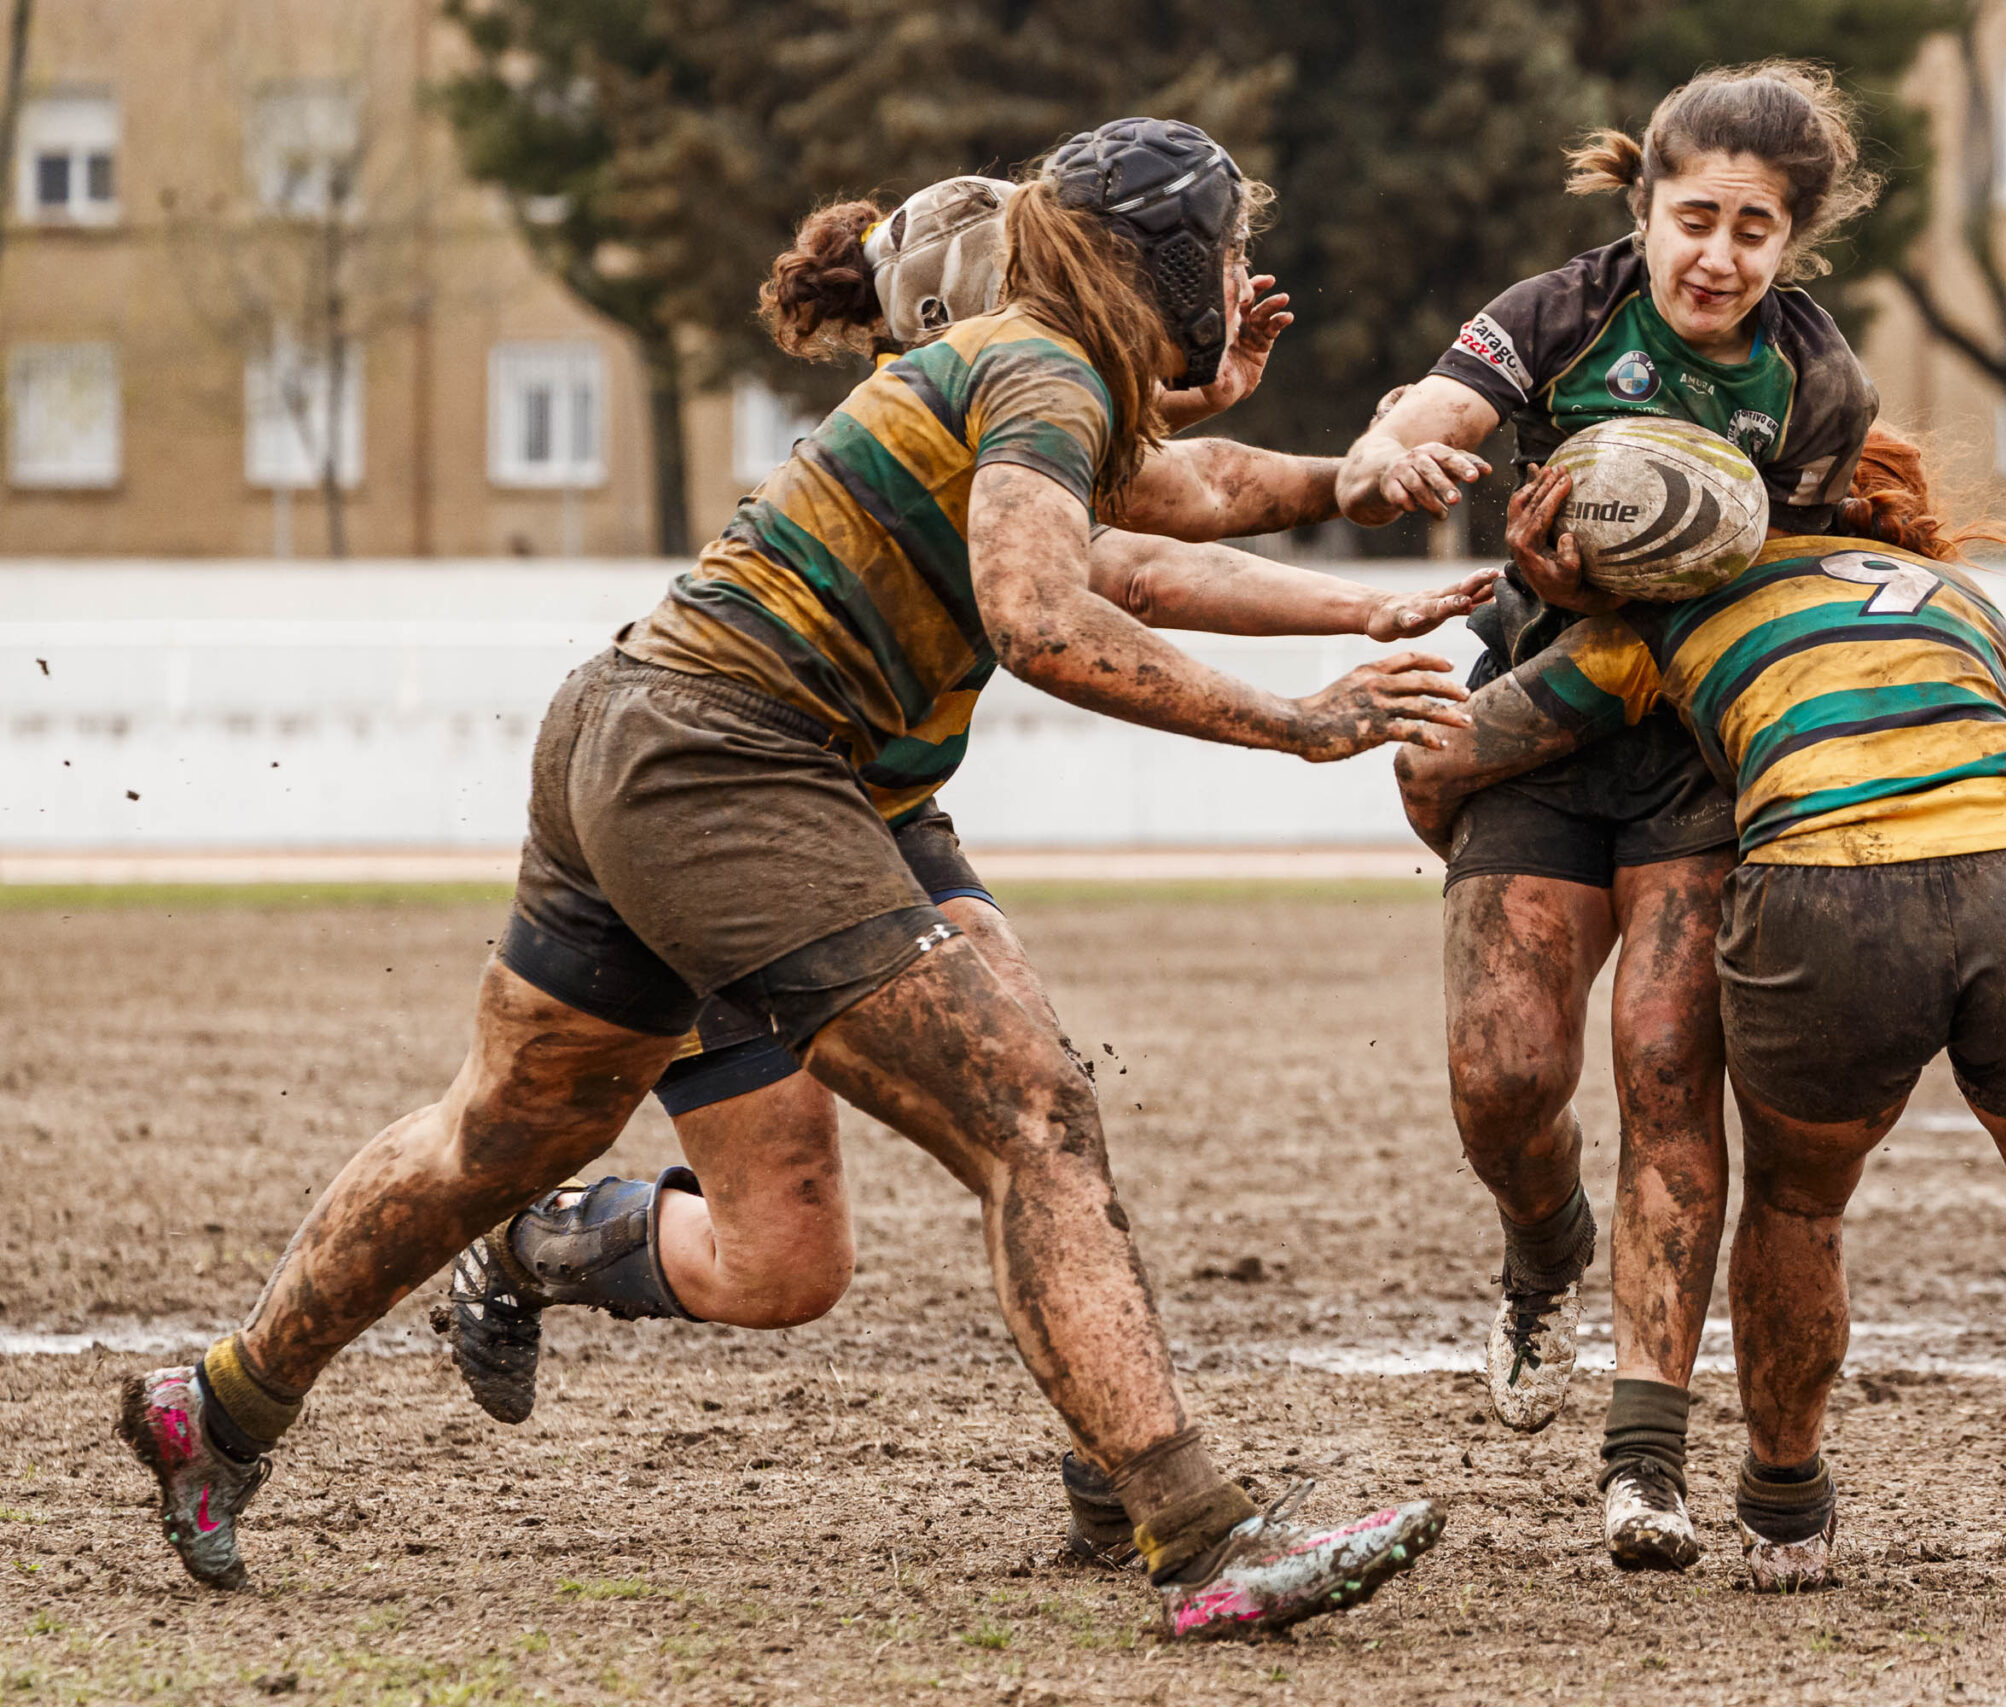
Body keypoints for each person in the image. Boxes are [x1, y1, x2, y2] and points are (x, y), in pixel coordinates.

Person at [117, 119, 1456, 1638]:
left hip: (647, 727)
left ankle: (215, 1404)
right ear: (1162, 260)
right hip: (734, 766)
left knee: (508, 1134)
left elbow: (1184, 489)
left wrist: (1344, 476)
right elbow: (1040, 606)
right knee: (1028, 1107)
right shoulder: (1042, 369)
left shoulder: (1037, 370)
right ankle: (1197, 1526)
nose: (1242, 276)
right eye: (1226, 251)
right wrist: (1292, 719)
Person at [440, 175, 1493, 1576]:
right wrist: (1312, 670)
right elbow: (1125, 566)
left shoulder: (1010, 394)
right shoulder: (988, 398)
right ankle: (1165, 1499)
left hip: (859, 808)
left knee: (813, 1243)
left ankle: (1102, 1460)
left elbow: (1155, 499)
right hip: (735, 806)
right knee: (1022, 1119)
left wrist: (1322, 520)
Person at [1393, 424, 2006, 1596]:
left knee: (1797, 1204)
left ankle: (1785, 1513)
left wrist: (1461, 829)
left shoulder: (1668, 617)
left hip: (1826, 892)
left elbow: (1443, 755)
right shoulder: (1964, 599)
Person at [1331, 61, 1880, 1568]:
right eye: (1694, 215)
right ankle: (1540, 1242)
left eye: (1755, 228)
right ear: (1644, 205)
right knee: (1505, 1076)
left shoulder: (1819, 386)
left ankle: (1646, 1462)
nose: (1719, 254)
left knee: (1662, 1063)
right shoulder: (1563, 311)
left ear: (1794, 242)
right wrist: (1397, 453)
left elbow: (1795, 584)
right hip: (1536, 739)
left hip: (1695, 756)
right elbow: (1438, 411)